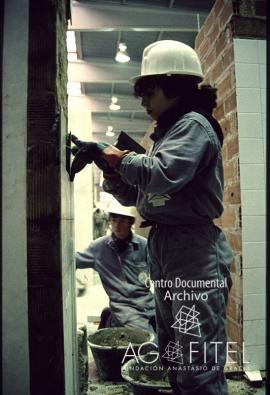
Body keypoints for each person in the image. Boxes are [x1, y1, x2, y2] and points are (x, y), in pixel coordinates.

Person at [70, 40, 233, 395]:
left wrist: (113, 156)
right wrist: (107, 166)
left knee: (196, 356)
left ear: (173, 85)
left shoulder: (194, 125)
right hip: (168, 246)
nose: (142, 99)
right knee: (173, 350)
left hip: (192, 250)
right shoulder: (169, 133)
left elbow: (160, 174)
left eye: (148, 90)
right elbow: (143, 196)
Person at [75, 198, 155, 333]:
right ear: (109, 221)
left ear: (131, 222)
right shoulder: (98, 248)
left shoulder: (143, 245)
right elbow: (72, 260)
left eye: (123, 220)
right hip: (125, 308)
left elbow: (159, 272)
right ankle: (112, 318)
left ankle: (108, 317)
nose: (117, 225)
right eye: (114, 220)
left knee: (173, 331)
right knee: (150, 344)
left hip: (149, 303)